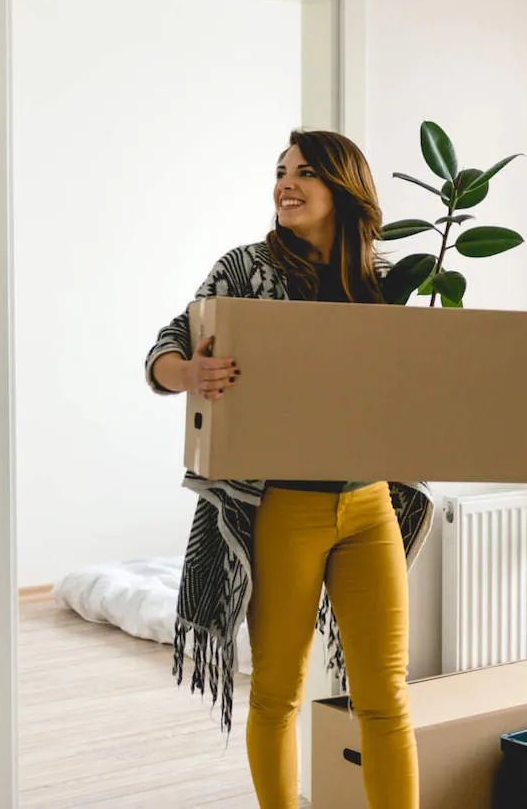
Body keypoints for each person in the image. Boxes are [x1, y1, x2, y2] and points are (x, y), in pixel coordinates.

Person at [145, 129, 432, 809]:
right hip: (281, 509)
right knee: (277, 693)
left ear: (345, 187)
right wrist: (190, 372)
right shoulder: (244, 269)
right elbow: (165, 348)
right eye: (280, 172)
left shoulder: (383, 284)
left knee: (385, 694)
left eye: (305, 172)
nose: (286, 183)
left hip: (369, 505)